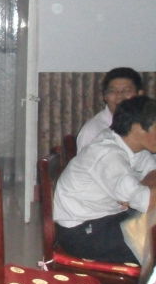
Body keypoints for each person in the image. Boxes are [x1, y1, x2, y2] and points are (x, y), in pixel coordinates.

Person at [54, 95, 156, 264]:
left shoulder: (129, 144)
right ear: (137, 127)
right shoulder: (108, 154)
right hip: (83, 233)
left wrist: (139, 191)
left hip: (109, 218)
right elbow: (145, 201)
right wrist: (140, 194)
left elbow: (152, 171)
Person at [77, 67, 144, 151]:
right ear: (105, 96)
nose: (119, 96)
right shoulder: (93, 130)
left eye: (126, 91)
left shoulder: (149, 125)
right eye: (112, 91)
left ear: (140, 94)